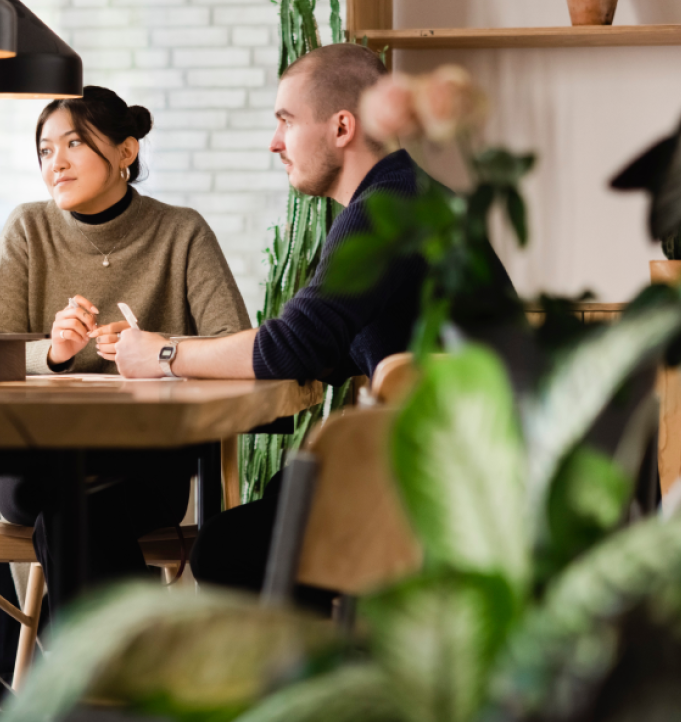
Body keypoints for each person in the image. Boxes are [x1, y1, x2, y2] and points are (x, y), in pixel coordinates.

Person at [113, 43, 510, 593]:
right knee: (273, 505)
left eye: (286, 121)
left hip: (446, 499)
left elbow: (295, 345)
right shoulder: (408, 197)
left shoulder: (383, 212)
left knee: (227, 547)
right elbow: (321, 347)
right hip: (469, 482)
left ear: (342, 127)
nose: (274, 143)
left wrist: (162, 355)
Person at [0, 84, 250, 605]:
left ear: (127, 152)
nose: (55, 162)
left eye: (74, 144)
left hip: (142, 461)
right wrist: (53, 353)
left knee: (76, 515)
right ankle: (118, 672)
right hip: (37, 457)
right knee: (74, 510)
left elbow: (232, 343)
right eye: (45, 149)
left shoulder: (181, 231)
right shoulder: (28, 228)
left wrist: (158, 348)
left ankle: (89, 677)